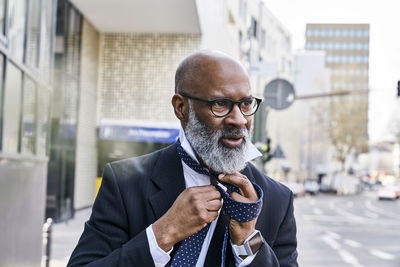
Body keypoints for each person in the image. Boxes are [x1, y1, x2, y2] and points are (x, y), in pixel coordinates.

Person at [68, 50, 298, 267]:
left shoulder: (277, 199)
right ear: (181, 108)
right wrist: (163, 234)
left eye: (246, 104)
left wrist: (248, 239)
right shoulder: (124, 182)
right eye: (220, 104)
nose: (238, 119)